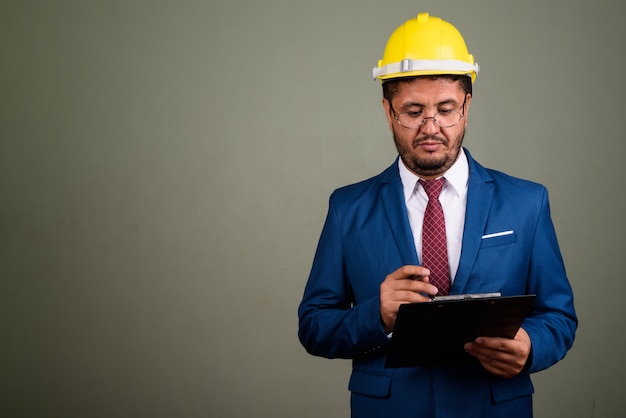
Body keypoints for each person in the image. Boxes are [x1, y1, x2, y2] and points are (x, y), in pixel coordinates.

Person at [297, 12, 577, 418]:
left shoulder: (527, 202)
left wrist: (530, 346)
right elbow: (314, 326)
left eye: (446, 109)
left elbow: (559, 317)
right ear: (387, 110)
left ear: (467, 105)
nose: (431, 127)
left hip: (494, 406)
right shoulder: (347, 209)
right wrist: (377, 314)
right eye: (413, 112)